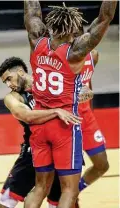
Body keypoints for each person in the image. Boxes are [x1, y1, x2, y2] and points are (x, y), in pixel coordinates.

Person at [24, 1, 117, 208]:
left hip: (39, 122)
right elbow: (104, 18)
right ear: (72, 29)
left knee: (40, 187)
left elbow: (32, 12)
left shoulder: (36, 41)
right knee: (69, 190)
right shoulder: (75, 53)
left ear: (51, 26)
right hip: (64, 124)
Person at [0, 56, 82, 208]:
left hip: (60, 145)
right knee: (5, 203)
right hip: (32, 151)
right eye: (5, 82)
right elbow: (27, 116)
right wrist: (56, 111)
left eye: (9, 79)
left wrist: (79, 92)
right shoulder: (12, 98)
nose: (9, 85)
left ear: (20, 71)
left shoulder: (47, 82)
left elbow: (84, 91)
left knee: (65, 200)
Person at [47, 45, 109, 208]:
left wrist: (90, 109)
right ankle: (68, 196)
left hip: (86, 117)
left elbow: (89, 83)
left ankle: (76, 190)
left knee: (102, 164)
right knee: (67, 176)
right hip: (68, 119)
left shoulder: (93, 56)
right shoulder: (60, 60)